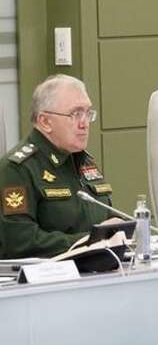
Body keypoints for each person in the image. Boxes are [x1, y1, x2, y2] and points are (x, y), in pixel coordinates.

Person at [0, 74, 114, 258]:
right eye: (75, 114)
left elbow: (105, 218)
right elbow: (19, 241)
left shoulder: (83, 162)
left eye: (88, 113)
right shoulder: (18, 169)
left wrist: (120, 228)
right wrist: (88, 242)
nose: (84, 123)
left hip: (97, 268)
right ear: (45, 122)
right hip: (49, 274)